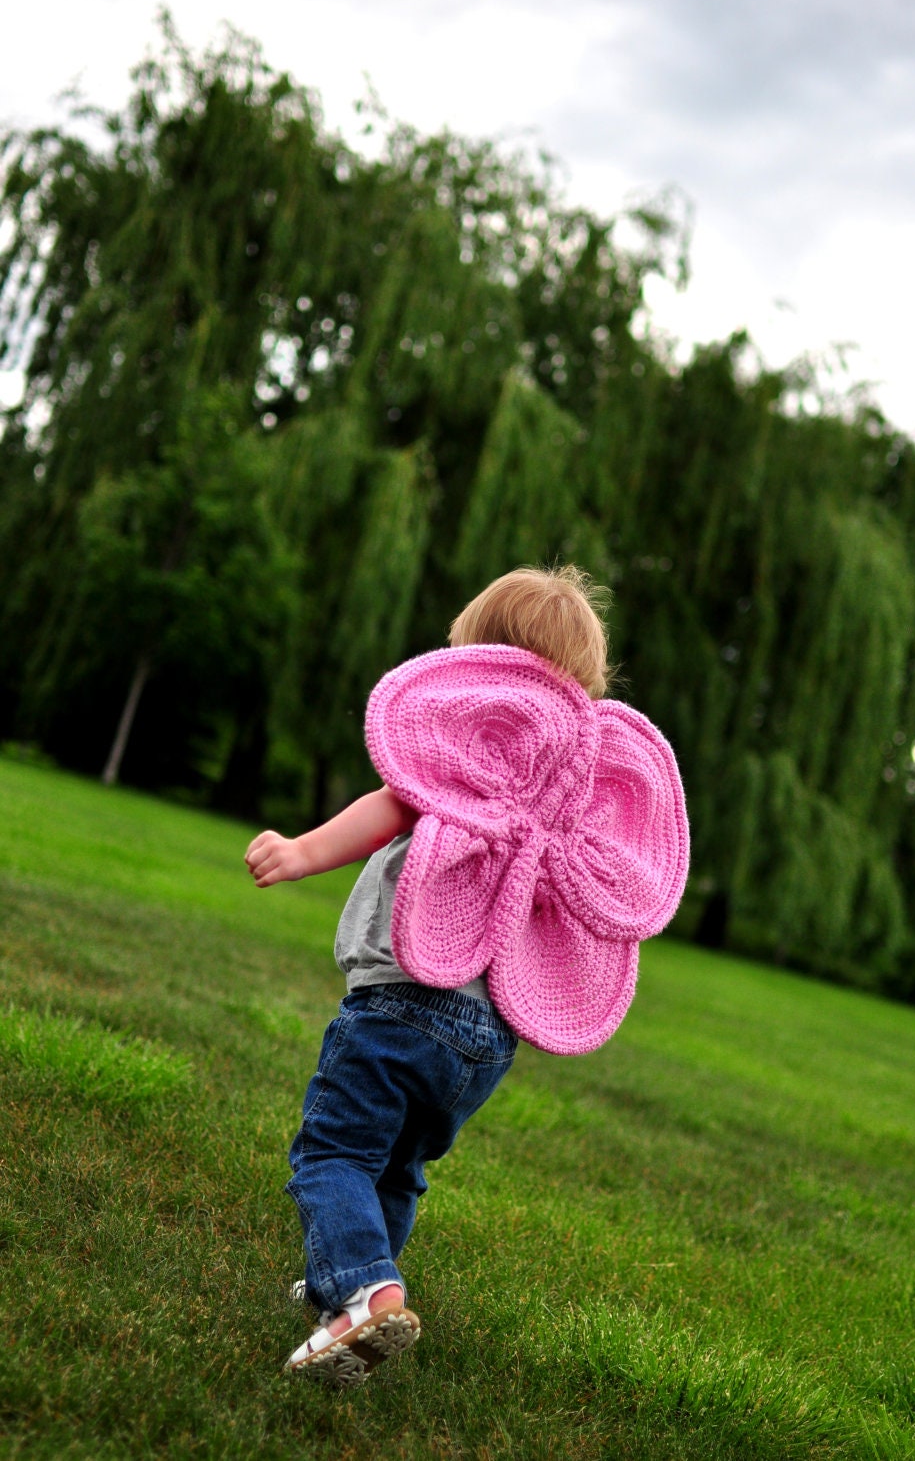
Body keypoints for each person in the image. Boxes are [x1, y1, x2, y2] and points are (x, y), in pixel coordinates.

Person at [245, 565, 689, 1386]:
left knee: (333, 1153)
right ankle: (354, 1282)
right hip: (487, 1042)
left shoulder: (472, 761)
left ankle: (363, 1295)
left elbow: (389, 805)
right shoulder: (575, 792)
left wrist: (300, 852)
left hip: (401, 1005)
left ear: (478, 664)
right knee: (397, 1167)